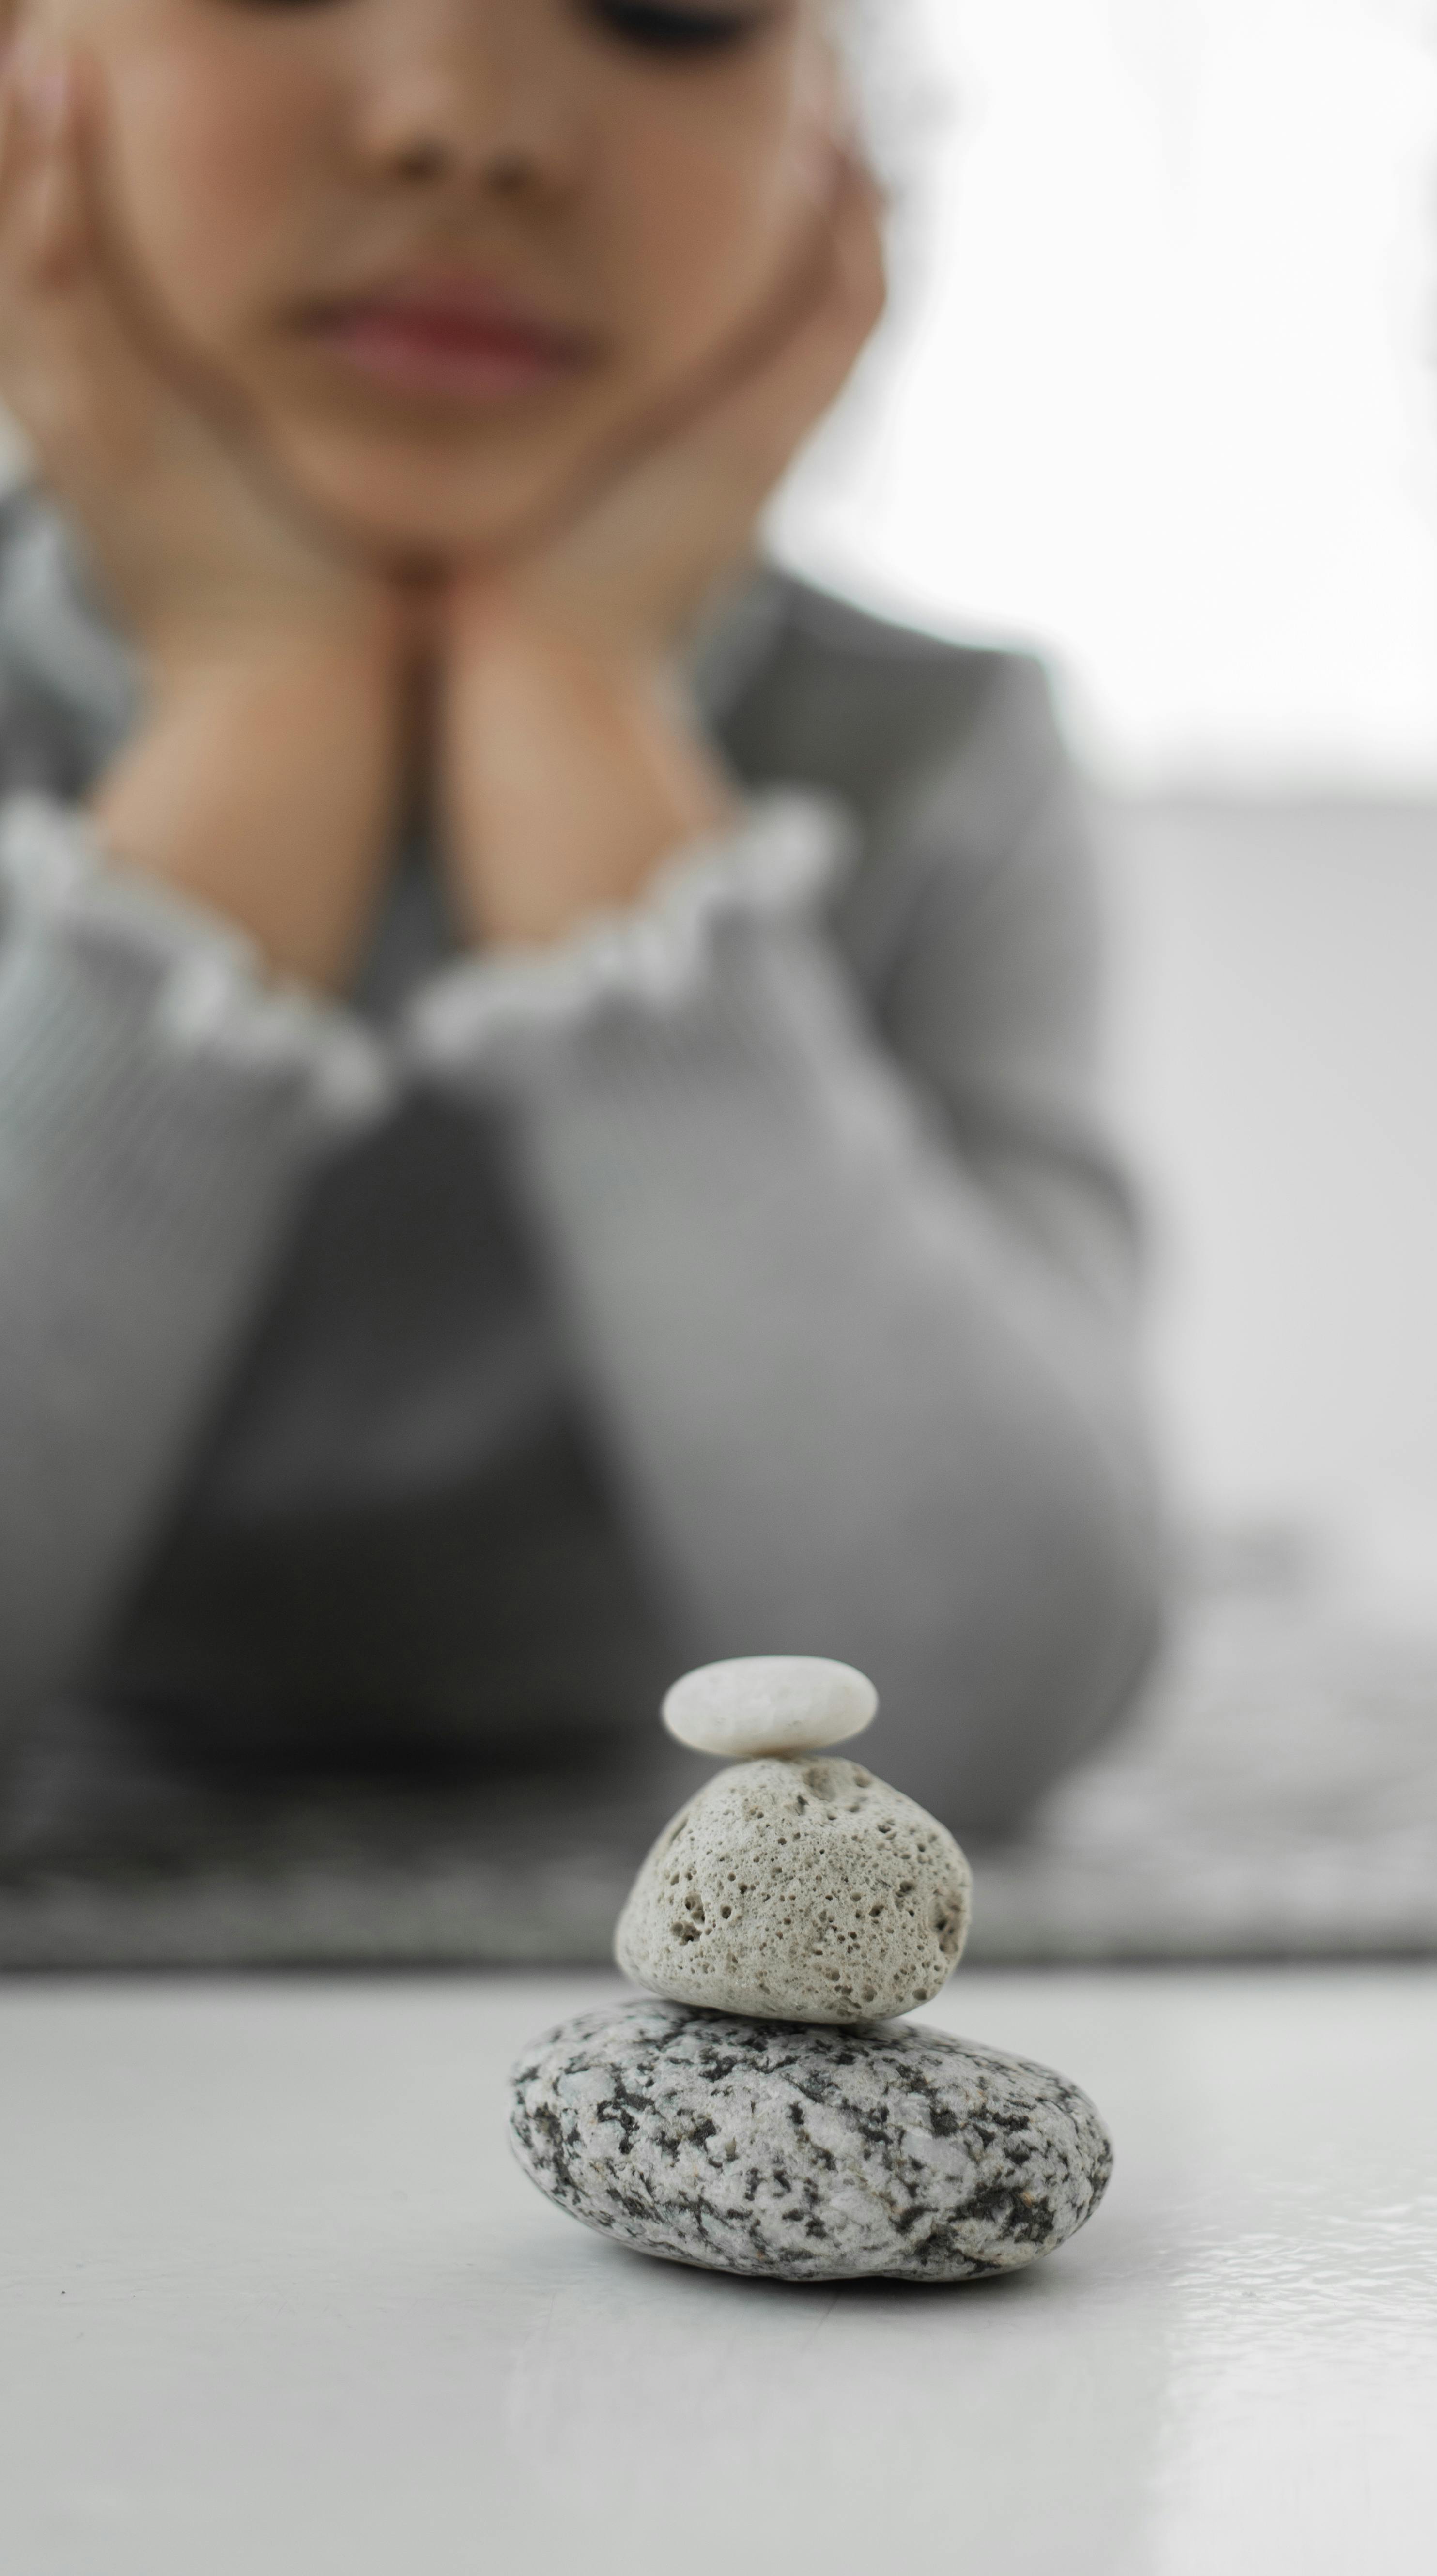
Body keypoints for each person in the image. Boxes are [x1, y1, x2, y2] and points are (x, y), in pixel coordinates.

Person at [0, 0, 1157, 1838]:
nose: (464, 127)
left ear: (838, 143)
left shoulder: (935, 756)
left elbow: (978, 1718)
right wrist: (252, 694)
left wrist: (581, 694)